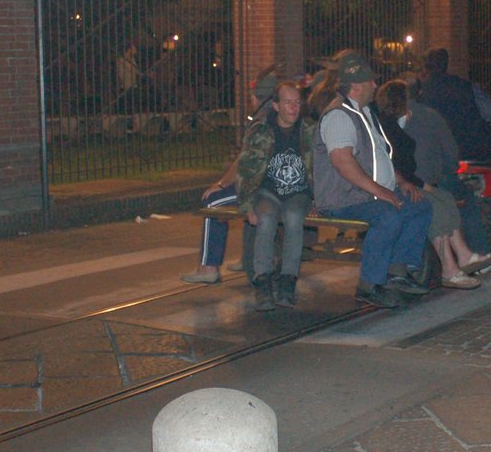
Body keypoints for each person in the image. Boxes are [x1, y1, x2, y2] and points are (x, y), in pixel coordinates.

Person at [312, 51, 434, 309]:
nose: (376, 85)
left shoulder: (364, 112)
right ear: (356, 86)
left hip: (365, 192)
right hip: (343, 197)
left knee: (419, 206)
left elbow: (378, 156)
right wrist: (382, 192)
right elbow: (343, 163)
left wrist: (400, 181)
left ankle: (398, 272)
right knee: (388, 215)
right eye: (370, 81)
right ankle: (369, 284)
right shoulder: (339, 116)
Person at [379, 79, 491, 288]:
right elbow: (391, 164)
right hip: (394, 184)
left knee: (445, 198)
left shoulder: (399, 124)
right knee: (436, 204)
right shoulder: (388, 126)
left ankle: (464, 255)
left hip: (409, 180)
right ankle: (449, 268)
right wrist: (424, 183)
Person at [181, 69, 280, 285]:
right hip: (277, 185)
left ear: (255, 98)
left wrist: (221, 183)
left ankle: (208, 267)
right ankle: (250, 258)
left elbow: (244, 161)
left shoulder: (261, 122)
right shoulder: (277, 116)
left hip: (263, 187)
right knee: (243, 208)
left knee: (213, 202)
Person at [235, 80, 316, 310]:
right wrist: (248, 204)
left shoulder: (308, 130)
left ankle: (288, 280)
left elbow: (321, 167)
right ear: (276, 106)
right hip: (268, 191)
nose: (293, 108)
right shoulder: (261, 131)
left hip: (298, 193)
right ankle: (263, 281)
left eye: (297, 103)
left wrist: (319, 199)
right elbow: (246, 168)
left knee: (293, 218)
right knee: (266, 219)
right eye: (288, 102)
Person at [421, 48, 491, 169]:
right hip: (473, 148)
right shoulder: (465, 86)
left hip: (435, 153)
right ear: (446, 64)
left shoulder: (419, 91)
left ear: (425, 66)